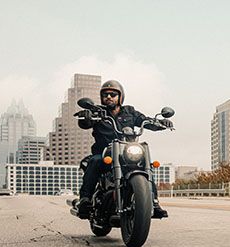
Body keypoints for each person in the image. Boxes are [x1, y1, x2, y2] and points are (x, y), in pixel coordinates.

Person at [74, 80, 172, 218]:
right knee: (95, 161)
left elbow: (145, 120)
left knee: (146, 165)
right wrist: (86, 116)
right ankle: (85, 199)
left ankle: (153, 202)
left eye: (113, 94)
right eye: (106, 94)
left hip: (126, 153)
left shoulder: (130, 111)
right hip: (105, 153)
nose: (109, 97)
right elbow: (85, 123)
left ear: (120, 97)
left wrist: (160, 122)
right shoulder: (97, 111)